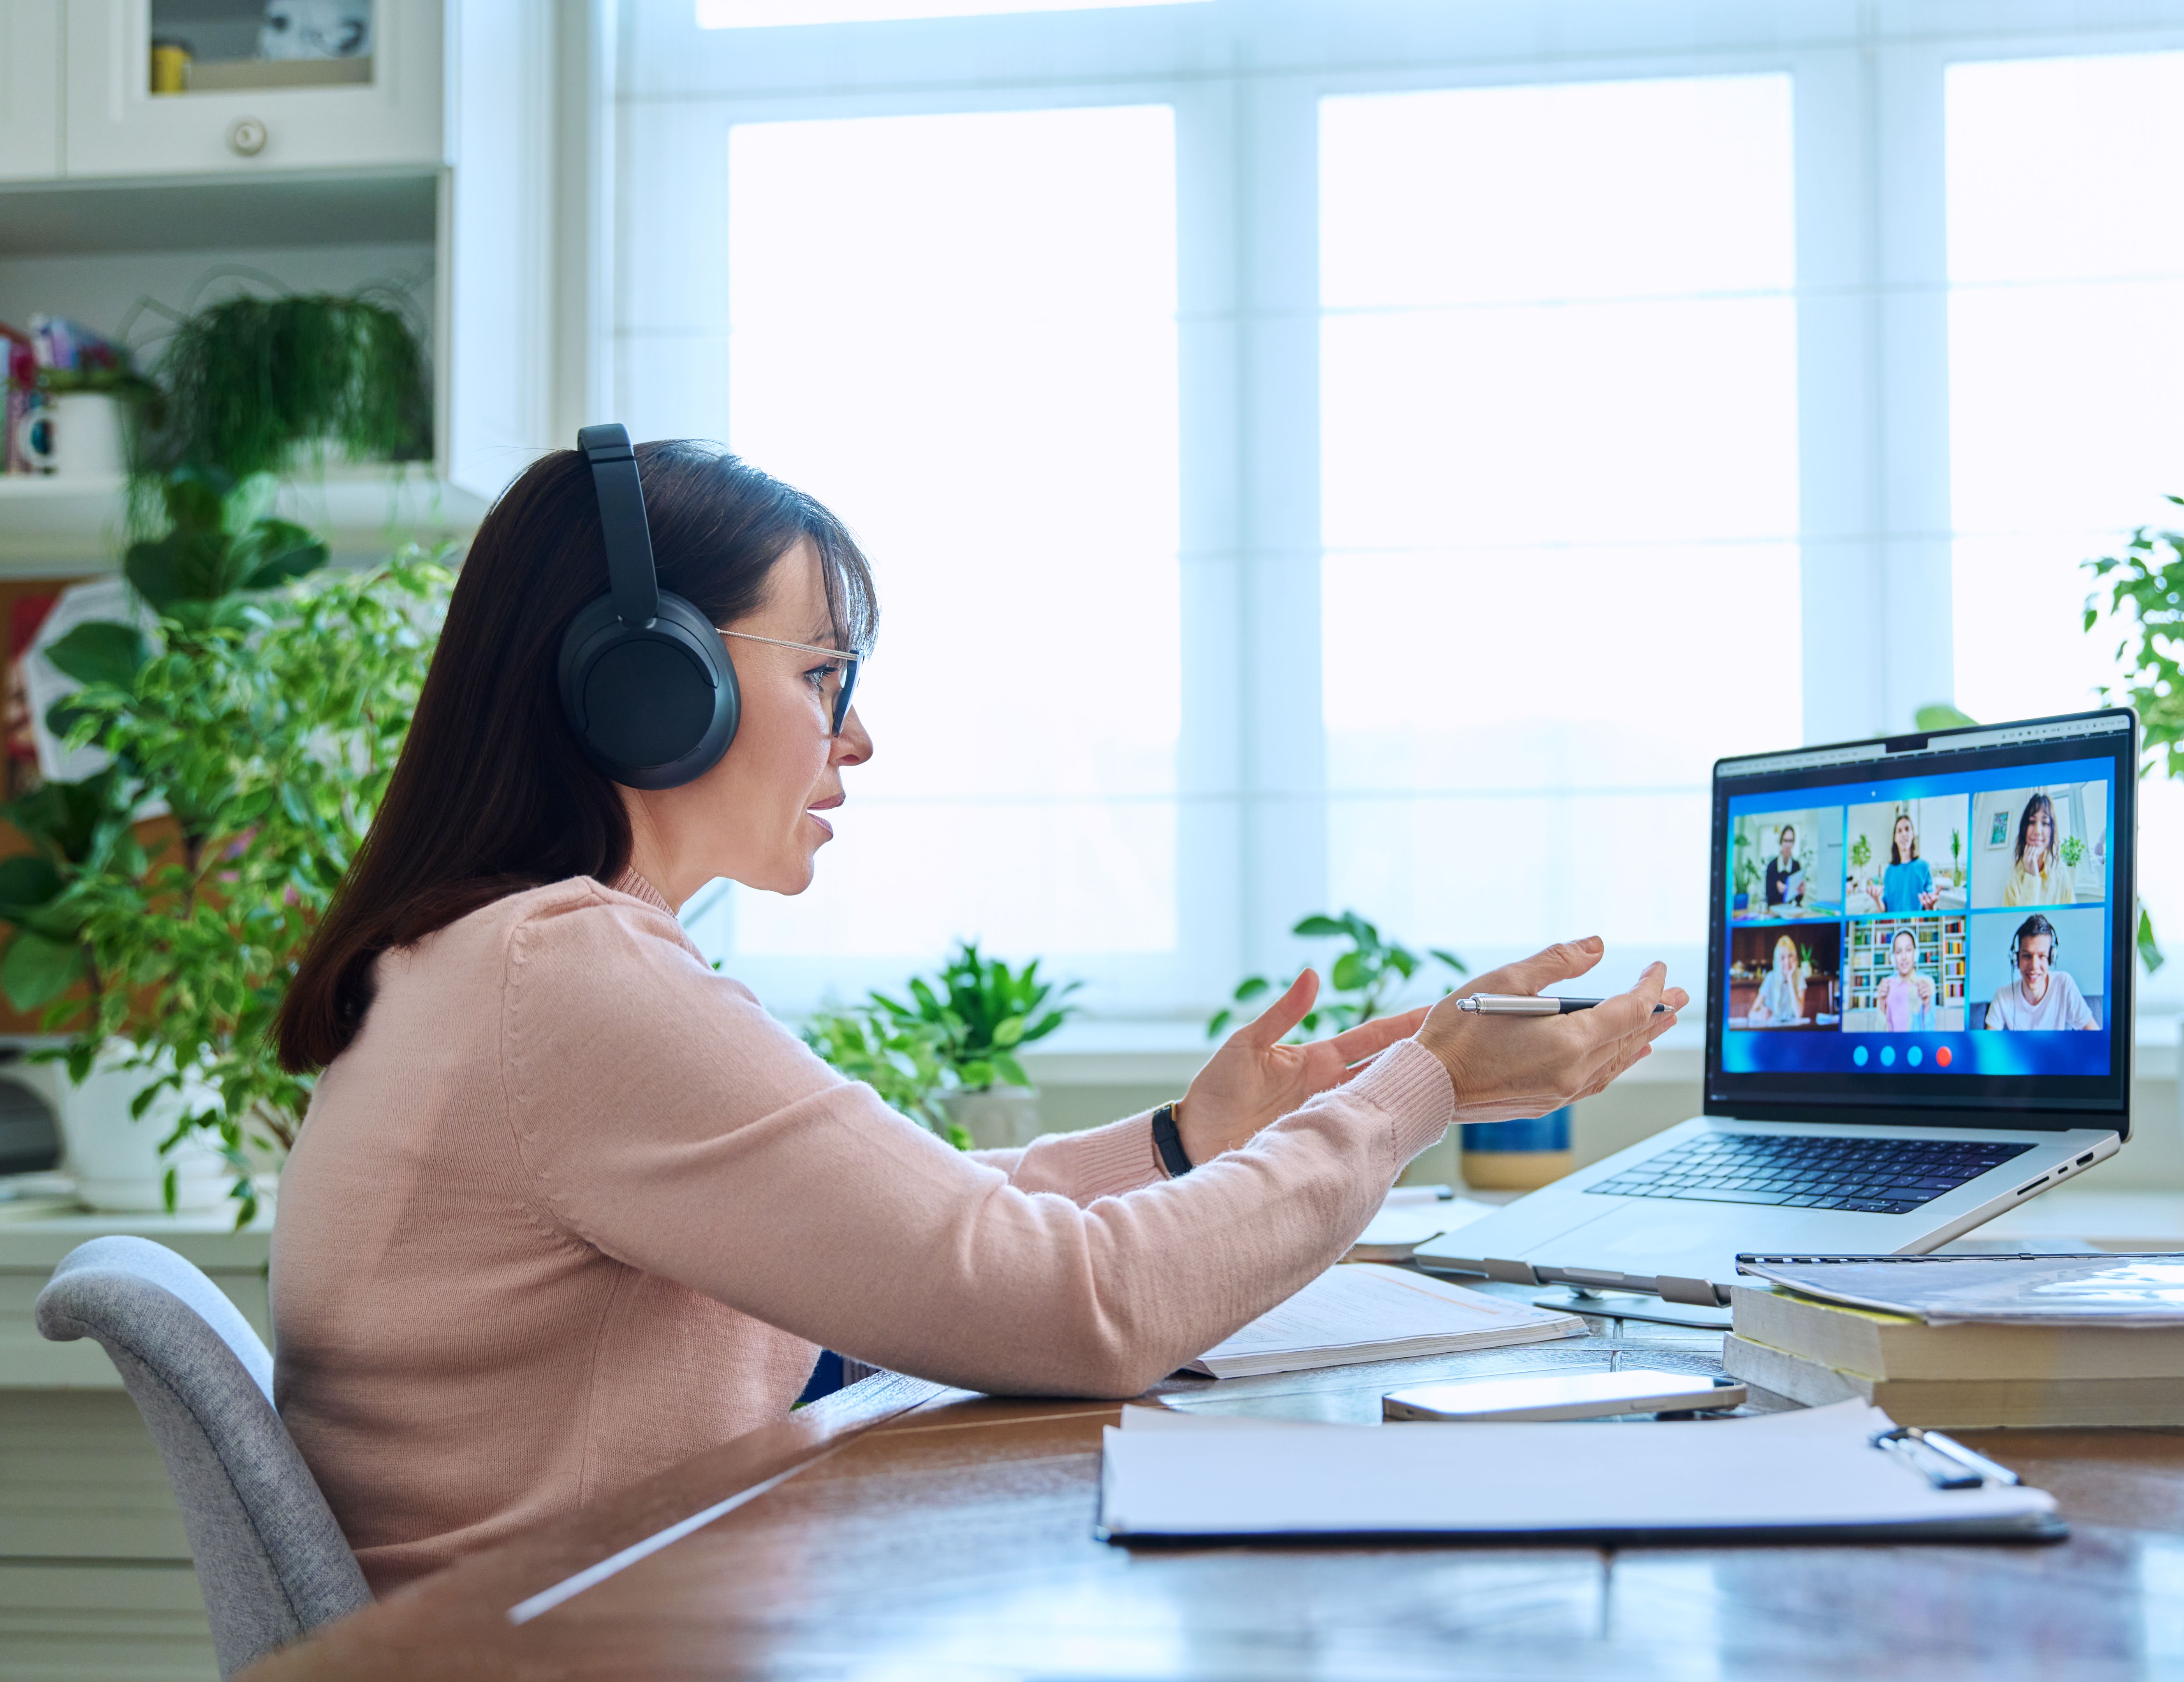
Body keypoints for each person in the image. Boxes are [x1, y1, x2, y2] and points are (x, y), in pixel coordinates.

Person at [266, 440, 1688, 1593]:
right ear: (648, 686)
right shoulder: (565, 978)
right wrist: (1421, 1090)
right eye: (822, 675)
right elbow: (1082, 1306)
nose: (858, 735)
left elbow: (919, 1231)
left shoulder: (499, 962)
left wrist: (1187, 1143)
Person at [1982, 913, 2099, 1030]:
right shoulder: (2002, 996)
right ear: (2017, 959)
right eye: (2027, 956)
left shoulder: (2064, 985)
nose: (2034, 966)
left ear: (2051, 958)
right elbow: (1986, 1041)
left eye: (2042, 956)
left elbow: (2096, 1035)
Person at [2001, 792, 2071, 905]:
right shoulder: (2014, 877)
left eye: (2045, 823)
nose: (2038, 831)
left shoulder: (2062, 875)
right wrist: (2032, 878)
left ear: (2052, 831)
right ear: (2024, 829)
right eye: (2032, 822)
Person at [1875, 927, 1933, 1031]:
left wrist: (1927, 1005)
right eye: (1898, 952)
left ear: (1916, 954)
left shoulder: (1927, 983)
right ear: (1893, 958)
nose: (1904, 957)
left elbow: (1931, 1031)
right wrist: (1882, 1005)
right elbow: (1878, 1032)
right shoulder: (1886, 985)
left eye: (1909, 950)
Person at [1878, 812, 1936, 915]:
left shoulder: (1924, 868)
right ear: (1895, 838)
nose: (1904, 834)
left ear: (1913, 834)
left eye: (1907, 829)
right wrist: (1877, 900)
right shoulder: (1889, 871)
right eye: (1899, 831)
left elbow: (1929, 907)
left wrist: (1930, 907)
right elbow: (1884, 909)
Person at [1748, 933, 1806, 1025]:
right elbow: (1751, 1014)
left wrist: (1790, 979)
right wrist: (1761, 1016)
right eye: (1783, 958)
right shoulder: (1771, 978)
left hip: (1793, 1030)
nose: (1787, 962)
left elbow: (1799, 1014)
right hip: (1773, 1029)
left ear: (1795, 958)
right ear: (1777, 961)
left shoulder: (1799, 975)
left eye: (1790, 956)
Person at [1763, 823, 1804, 911]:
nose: (1788, 845)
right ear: (1781, 842)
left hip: (1790, 911)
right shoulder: (1772, 866)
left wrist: (1801, 892)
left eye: (1791, 841)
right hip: (1774, 912)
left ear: (1793, 843)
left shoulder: (1796, 866)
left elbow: (1798, 899)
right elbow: (1768, 896)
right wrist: (1776, 888)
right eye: (1785, 841)